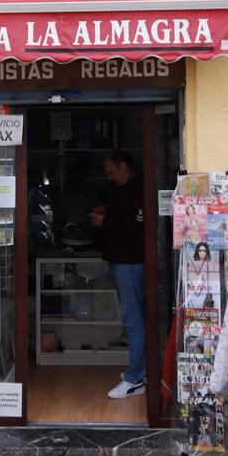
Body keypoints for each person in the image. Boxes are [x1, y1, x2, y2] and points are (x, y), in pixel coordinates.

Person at [90, 149, 146, 398]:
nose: (110, 177)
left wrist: (105, 223)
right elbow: (126, 218)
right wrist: (109, 213)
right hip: (125, 261)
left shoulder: (137, 189)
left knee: (133, 320)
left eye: (111, 172)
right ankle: (139, 369)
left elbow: (136, 226)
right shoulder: (129, 189)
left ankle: (136, 377)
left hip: (130, 263)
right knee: (133, 318)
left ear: (123, 166)